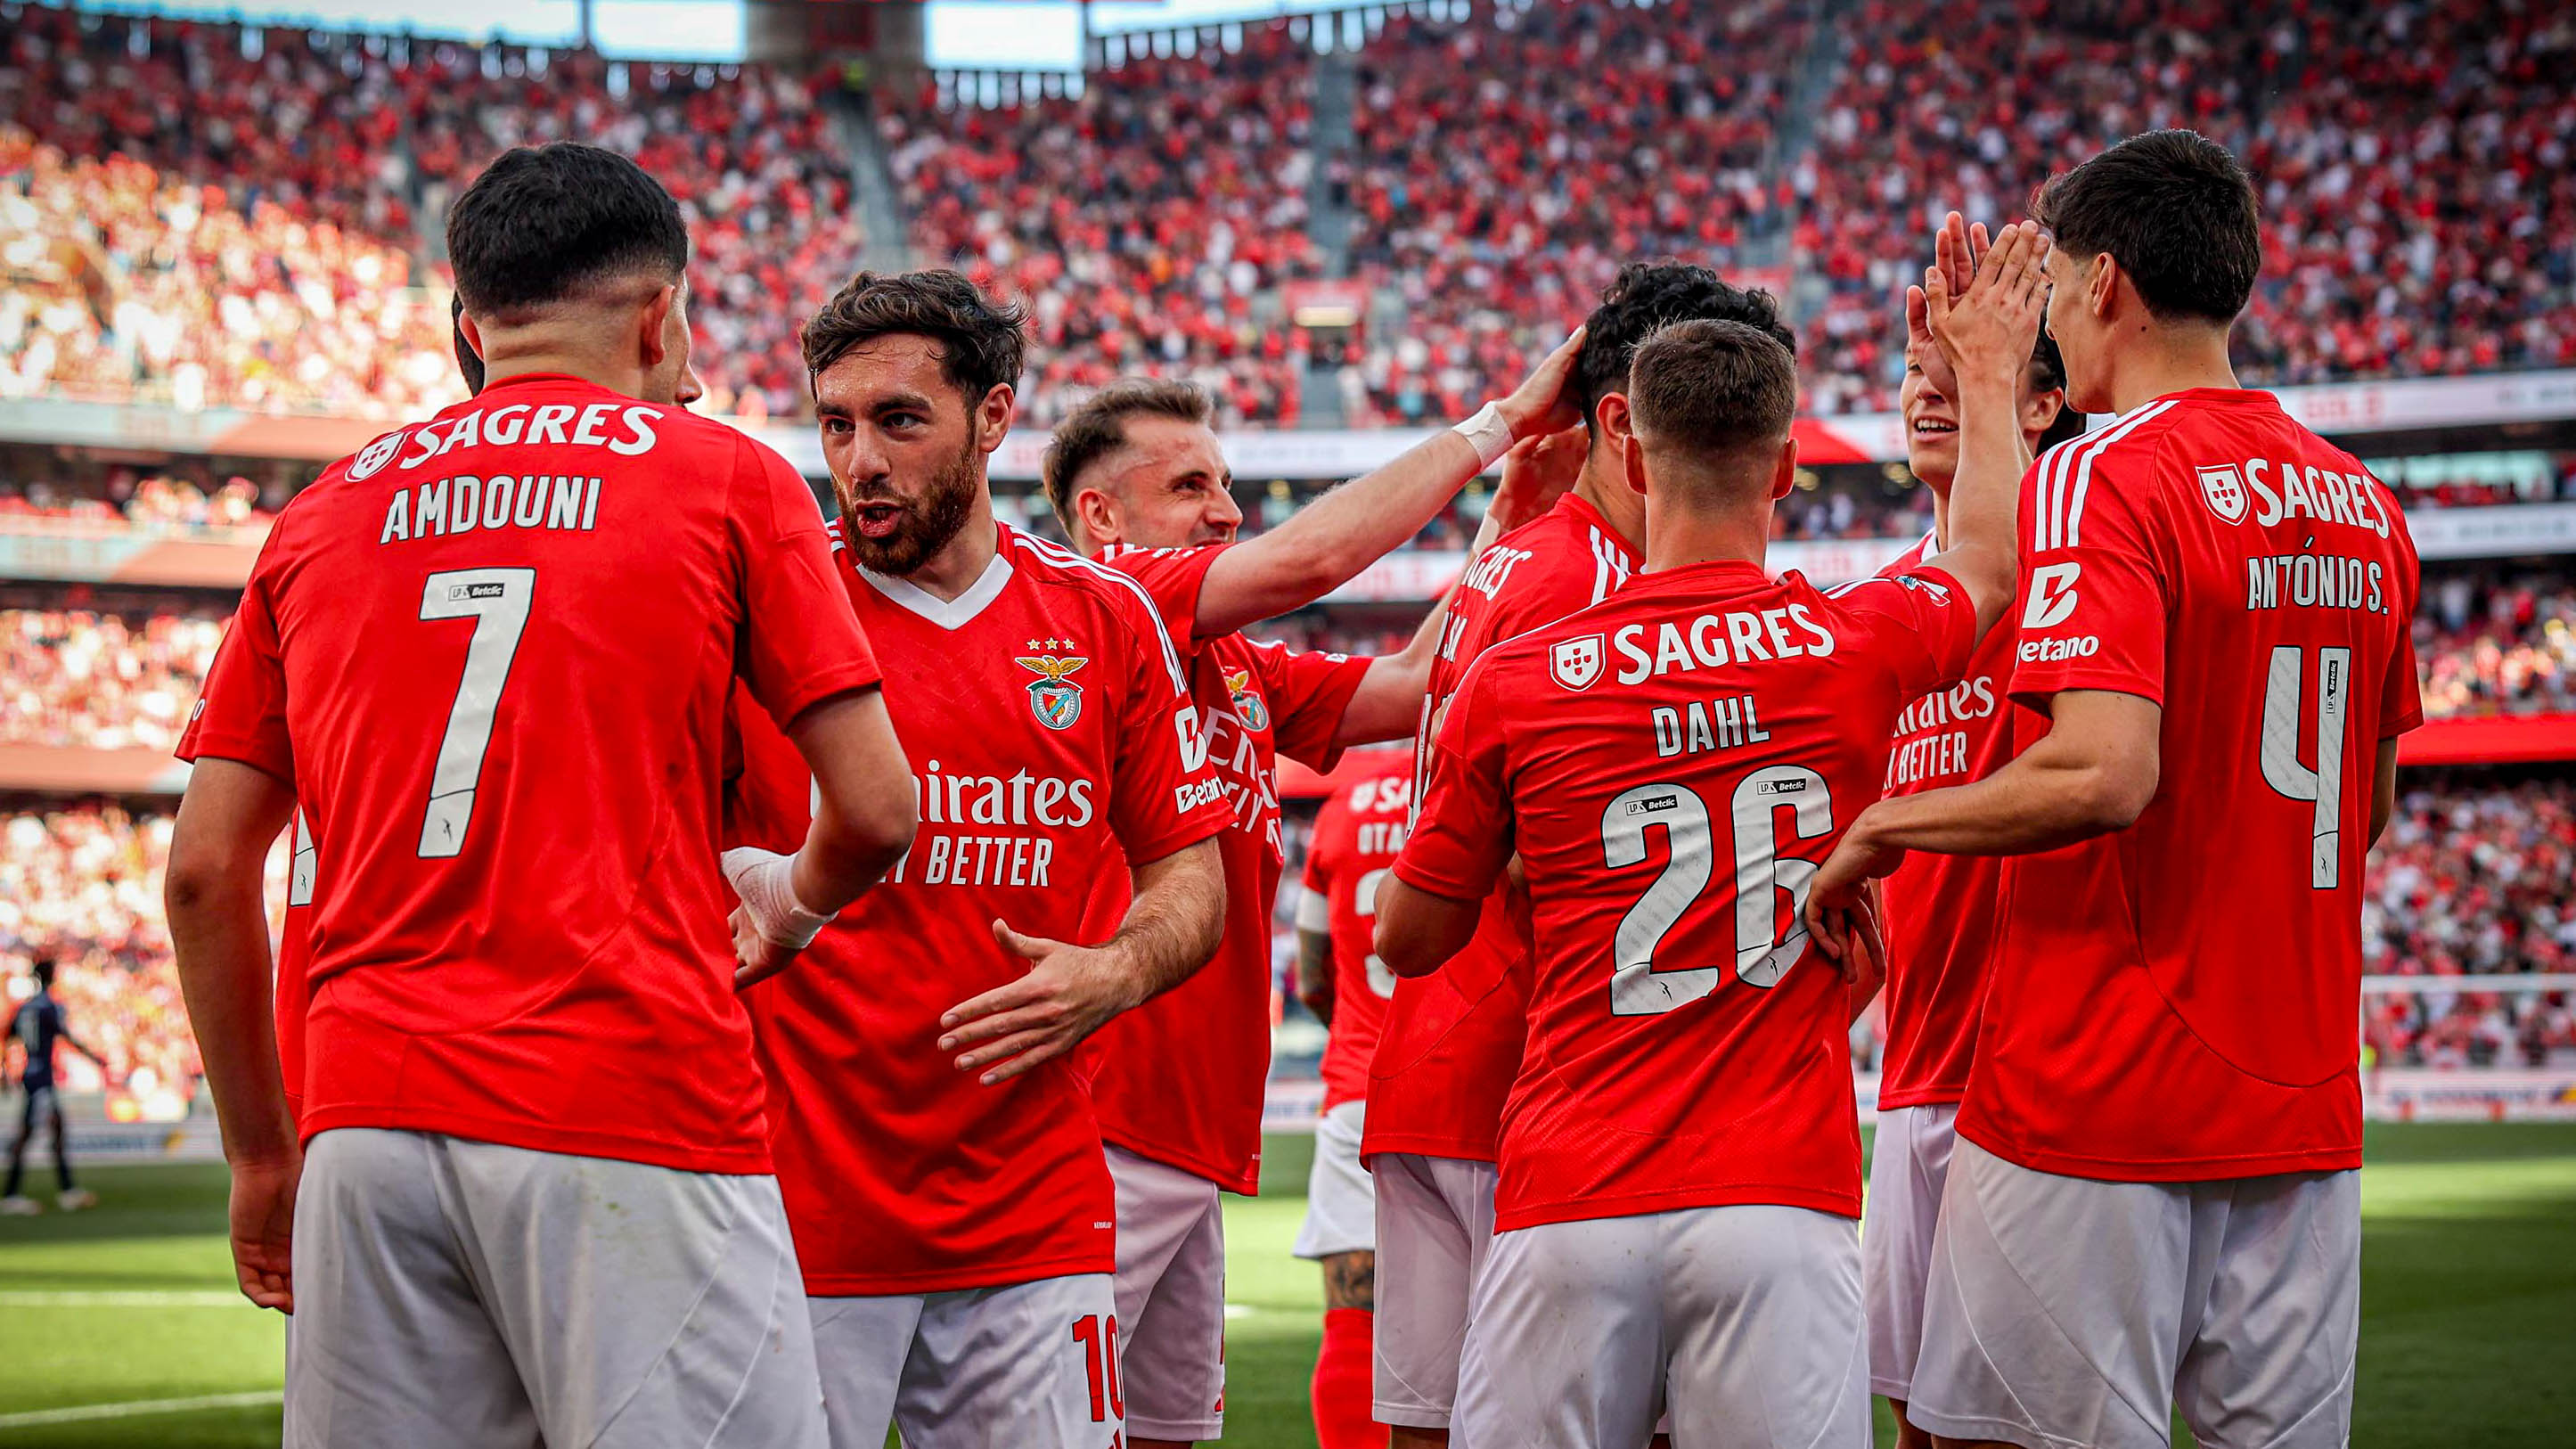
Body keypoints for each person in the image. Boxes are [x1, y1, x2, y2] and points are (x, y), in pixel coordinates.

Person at [164, 142, 917, 1449]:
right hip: (629, 1095)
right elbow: (875, 809)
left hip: (365, 1119)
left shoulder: (321, 513)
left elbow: (202, 871)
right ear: (660, 314)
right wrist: (787, 910)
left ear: (470, 321)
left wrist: (259, 1154)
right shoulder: (720, 472)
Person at [1807, 130, 2425, 1449]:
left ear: (2098, 288)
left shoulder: (2103, 469)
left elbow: (2099, 772)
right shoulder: (2370, 508)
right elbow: (2363, 810)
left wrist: (1878, 825)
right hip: (2300, 1105)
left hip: (2099, 1089)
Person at [1372, 233, 2041, 1447]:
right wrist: (1987, 378)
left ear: (1624, 441)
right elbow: (1986, 564)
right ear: (1784, 467)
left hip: (1567, 1185)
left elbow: (1407, 939)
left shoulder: (1519, 678)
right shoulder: (1850, 644)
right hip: (1776, 1190)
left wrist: (1542, 859)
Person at [1041, 336, 1588, 1447]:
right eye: (1190, 486)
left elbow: (1410, 685)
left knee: (1162, 1431)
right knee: (1057, 1429)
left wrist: (1509, 524)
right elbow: (1304, 566)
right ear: (1101, 517)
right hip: (1105, 1108)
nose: (1225, 511)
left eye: (1226, 484)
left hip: (1183, 1118)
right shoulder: (1103, 602)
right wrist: (1492, 430)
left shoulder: (1232, 664)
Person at [725, 269, 1231, 1449]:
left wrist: (1113, 972)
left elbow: (1189, 877)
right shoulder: (763, 619)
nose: (860, 460)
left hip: (1031, 1219)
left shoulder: (1104, 621)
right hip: (795, 1212)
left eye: (899, 421)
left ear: (993, 418)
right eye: (837, 423)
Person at [1363, 262, 1797, 1448]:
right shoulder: (1600, 589)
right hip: (1542, 1085)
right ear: (1627, 420)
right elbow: (1559, 851)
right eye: (1709, 414)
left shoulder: (1514, 559)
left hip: (1435, 1063)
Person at [1862, 214, 2085, 1449]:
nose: (1923, 400)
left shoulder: (2065, 569)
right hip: (1910, 1068)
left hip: (2027, 1075)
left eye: (1956, 383)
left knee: (2003, 1427)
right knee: (1917, 1418)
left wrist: (1981, 369)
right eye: (1912, 380)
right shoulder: (1896, 603)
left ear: (2035, 407)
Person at [1288, 744, 1413, 1449]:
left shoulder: (1341, 807)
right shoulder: (1482, 770)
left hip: (1360, 1085)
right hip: (1477, 1085)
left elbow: (1312, 975)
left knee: (1352, 1315)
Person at [4, 957, 106, 1215]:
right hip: (41, 1079)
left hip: (32, 1074)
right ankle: (12, 1194)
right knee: (29, 1134)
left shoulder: (25, 1008)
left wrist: (5, 1072)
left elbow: (8, 1037)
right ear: (52, 976)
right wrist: (93, 1057)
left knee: (57, 1130)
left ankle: (67, 1190)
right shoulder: (48, 1007)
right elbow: (65, 1036)